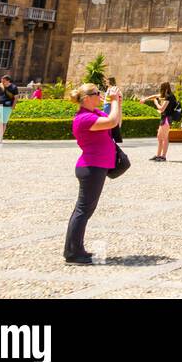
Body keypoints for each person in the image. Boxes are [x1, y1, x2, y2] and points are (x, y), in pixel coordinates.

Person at [65, 83, 122, 264]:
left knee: (85, 209)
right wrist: (112, 101)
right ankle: (73, 252)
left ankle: (76, 249)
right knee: (83, 210)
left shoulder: (96, 114)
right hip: (91, 167)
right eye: (98, 93)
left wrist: (117, 102)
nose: (101, 95)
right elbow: (112, 121)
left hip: (97, 166)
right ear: (87, 98)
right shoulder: (83, 118)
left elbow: (115, 122)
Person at [141, 83, 177, 162]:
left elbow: (161, 109)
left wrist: (156, 103)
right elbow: (155, 96)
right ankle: (158, 155)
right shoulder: (166, 95)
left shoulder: (169, 97)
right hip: (164, 118)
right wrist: (145, 99)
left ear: (163, 88)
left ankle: (163, 156)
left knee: (164, 138)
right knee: (159, 137)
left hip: (167, 119)